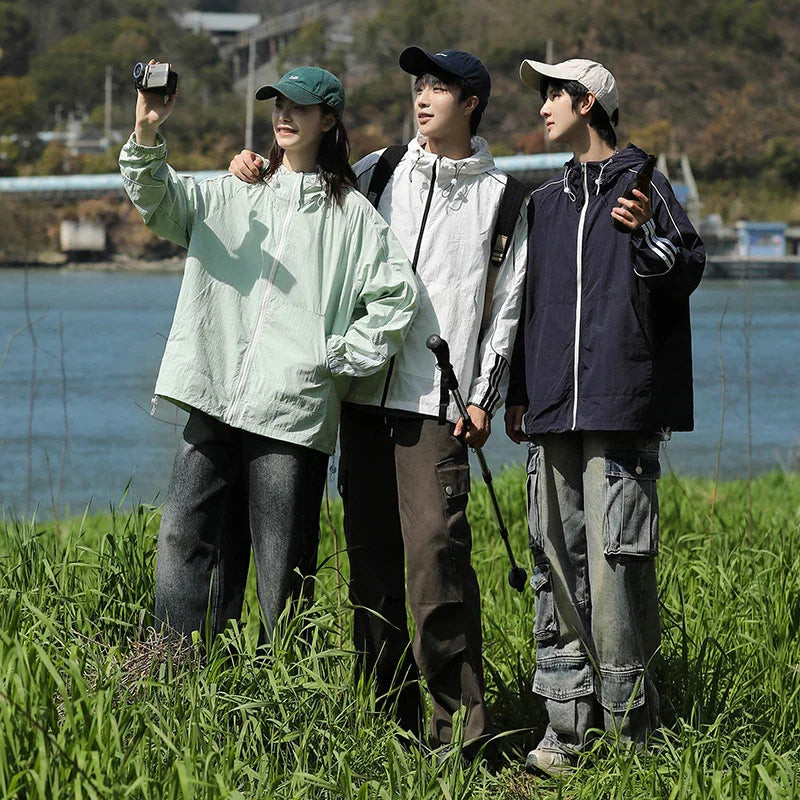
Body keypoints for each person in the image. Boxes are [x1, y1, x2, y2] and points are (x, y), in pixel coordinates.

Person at [229, 47, 527, 757]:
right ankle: (390, 729)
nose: (423, 96)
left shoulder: (506, 199)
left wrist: (483, 397)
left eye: (440, 87)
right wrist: (256, 170)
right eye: (418, 84)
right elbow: (310, 198)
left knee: (435, 562)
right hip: (362, 399)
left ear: (473, 102)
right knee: (371, 568)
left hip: (436, 406)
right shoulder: (379, 171)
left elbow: (506, 310)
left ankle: (461, 735)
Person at [119, 64, 417, 644]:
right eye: (278, 104)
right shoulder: (237, 190)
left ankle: (284, 702)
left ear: (328, 119)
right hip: (212, 394)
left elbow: (395, 297)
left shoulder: (353, 217)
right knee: (183, 539)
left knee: (284, 575)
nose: (284, 115)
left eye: (300, 107)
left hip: (290, 413)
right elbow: (161, 203)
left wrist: (333, 357)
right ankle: (180, 681)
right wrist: (147, 133)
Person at [505, 58, 705, 775]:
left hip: (623, 406)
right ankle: (565, 729)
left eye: (552, 95)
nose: (542, 109)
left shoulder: (645, 186)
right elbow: (529, 308)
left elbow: (686, 268)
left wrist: (649, 230)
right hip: (553, 408)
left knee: (616, 567)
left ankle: (631, 734)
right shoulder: (545, 202)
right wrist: (519, 391)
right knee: (554, 562)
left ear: (587, 102)